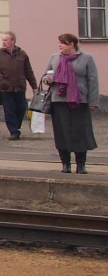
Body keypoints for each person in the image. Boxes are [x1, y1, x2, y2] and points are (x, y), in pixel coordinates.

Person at [41, 33, 100, 174]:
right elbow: (44, 78)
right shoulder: (54, 58)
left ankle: (81, 165)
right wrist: (48, 79)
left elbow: (93, 81)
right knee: (62, 133)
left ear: (72, 44)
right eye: (59, 43)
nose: (59, 45)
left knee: (80, 133)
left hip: (79, 101)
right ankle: (65, 164)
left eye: (63, 43)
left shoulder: (86, 58)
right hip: (59, 101)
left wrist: (93, 101)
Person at [0, 31, 37, 140]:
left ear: (13, 41)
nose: (4, 42)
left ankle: (16, 126)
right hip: (6, 88)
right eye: (3, 40)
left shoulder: (22, 54)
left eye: (6, 40)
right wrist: (1, 78)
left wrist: (34, 86)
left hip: (19, 87)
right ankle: (13, 131)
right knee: (9, 110)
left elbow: (28, 71)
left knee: (21, 108)